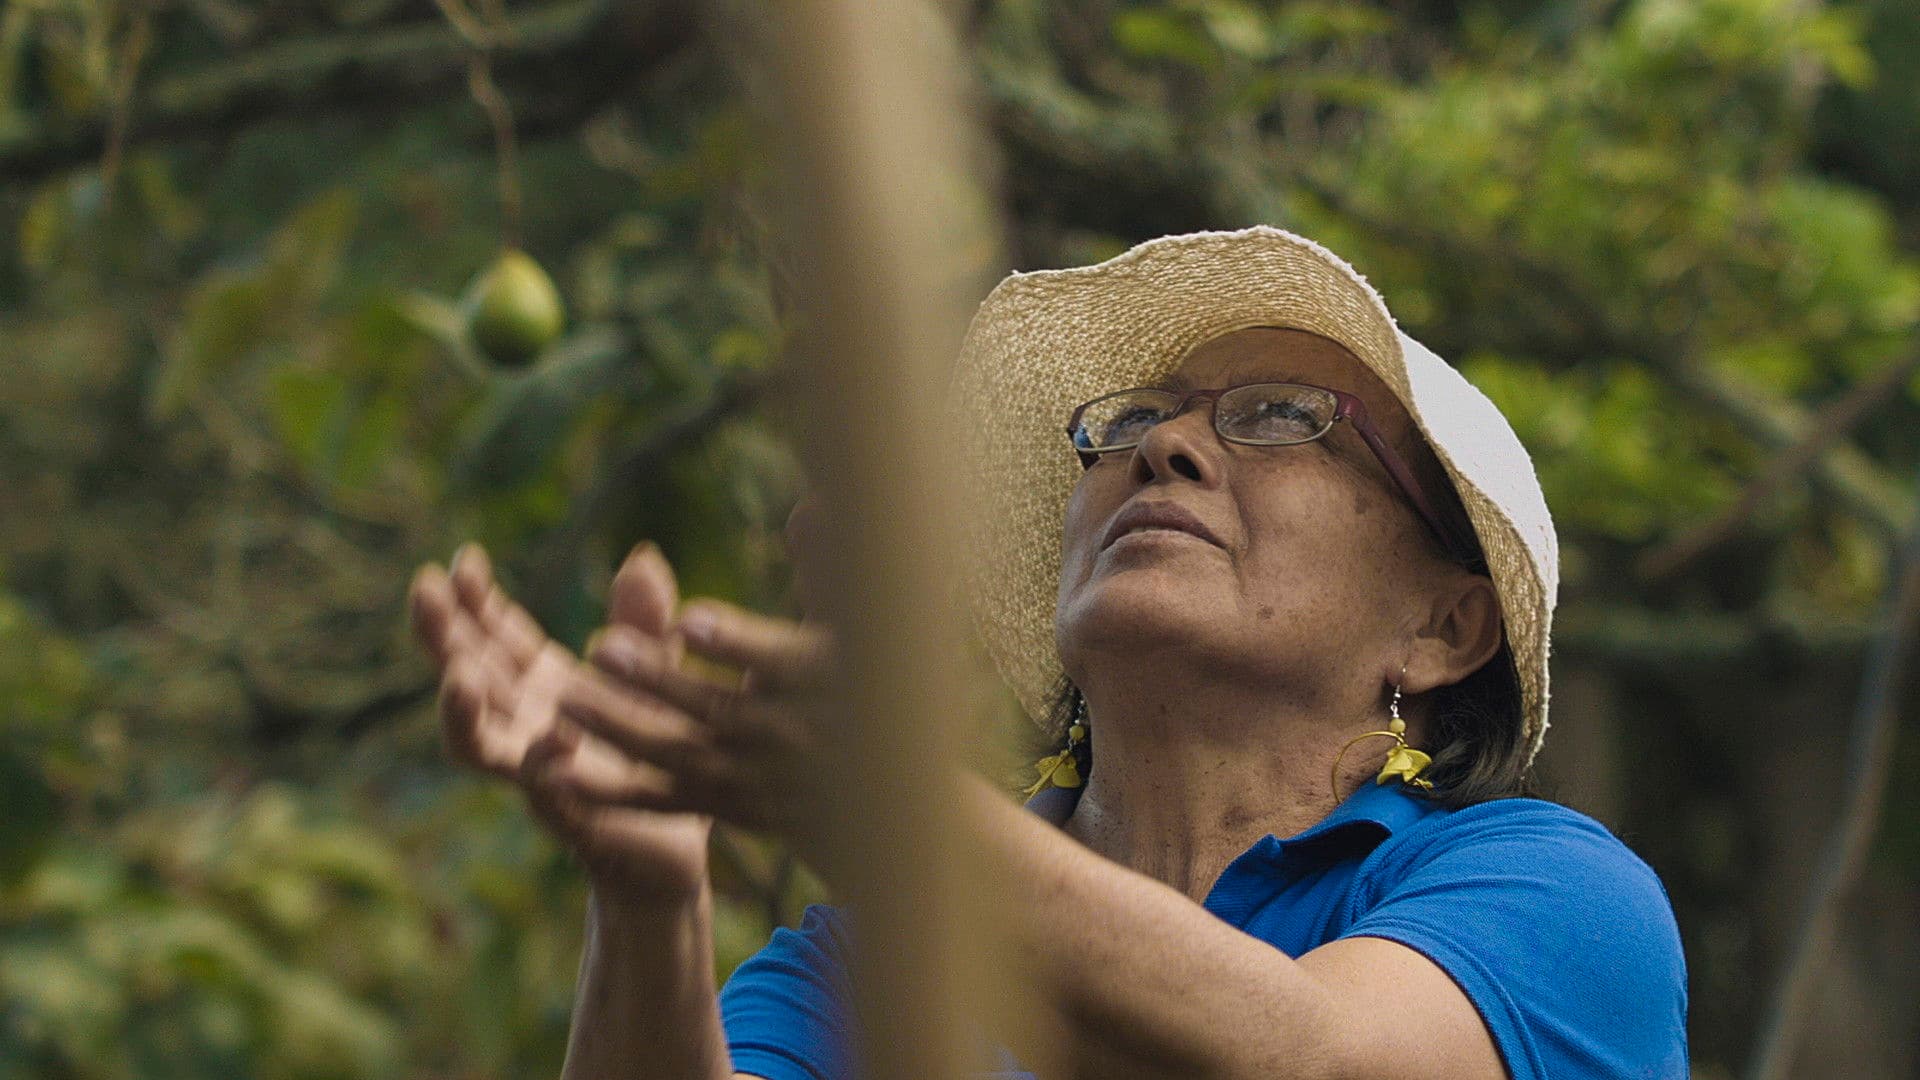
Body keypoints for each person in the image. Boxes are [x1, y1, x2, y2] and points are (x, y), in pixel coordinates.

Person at [410, 226, 1688, 1079]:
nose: (1165, 448)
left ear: (1445, 625)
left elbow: (1314, 1056)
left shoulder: (1558, 900)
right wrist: (648, 902)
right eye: (1136, 420)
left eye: (1282, 419)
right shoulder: (854, 965)